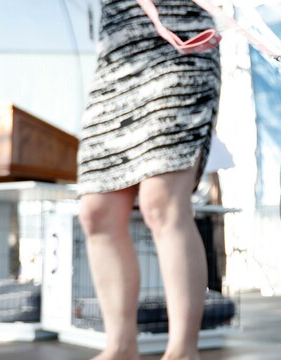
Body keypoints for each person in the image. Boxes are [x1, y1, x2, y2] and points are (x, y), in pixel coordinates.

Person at [76, 1, 221, 359]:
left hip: (179, 44)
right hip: (116, 60)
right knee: (97, 211)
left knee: (162, 203)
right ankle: (121, 346)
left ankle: (182, 350)